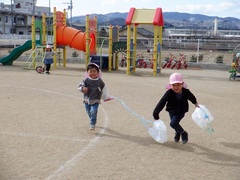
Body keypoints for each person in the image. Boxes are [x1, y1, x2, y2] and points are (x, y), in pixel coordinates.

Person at [153, 72, 199, 144]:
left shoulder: (186, 92)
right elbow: (162, 102)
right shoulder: (169, 93)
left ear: (182, 84)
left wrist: (195, 103)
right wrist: (156, 112)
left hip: (181, 111)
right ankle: (177, 133)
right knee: (175, 124)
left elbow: (191, 97)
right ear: (170, 85)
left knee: (173, 123)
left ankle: (183, 133)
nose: (176, 87)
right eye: (173, 85)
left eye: (178, 85)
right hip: (171, 110)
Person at [78, 63, 113, 131]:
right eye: (90, 71)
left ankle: (92, 123)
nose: (92, 73)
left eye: (94, 71)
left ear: (98, 73)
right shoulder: (85, 81)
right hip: (86, 100)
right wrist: (82, 89)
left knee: (94, 111)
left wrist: (106, 97)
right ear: (87, 72)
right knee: (89, 112)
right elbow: (79, 87)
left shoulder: (100, 82)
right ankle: (92, 119)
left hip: (95, 100)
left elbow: (104, 89)